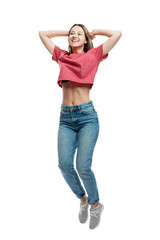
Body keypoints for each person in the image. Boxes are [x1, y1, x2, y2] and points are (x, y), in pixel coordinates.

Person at [39, 24, 122, 229]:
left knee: (83, 166)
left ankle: (95, 204)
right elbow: (42, 34)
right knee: (64, 165)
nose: (74, 36)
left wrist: (96, 32)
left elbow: (117, 34)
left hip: (87, 117)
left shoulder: (94, 55)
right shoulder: (61, 56)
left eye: (79, 34)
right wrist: (65, 31)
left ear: (85, 39)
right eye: (72, 33)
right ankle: (82, 198)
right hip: (65, 118)